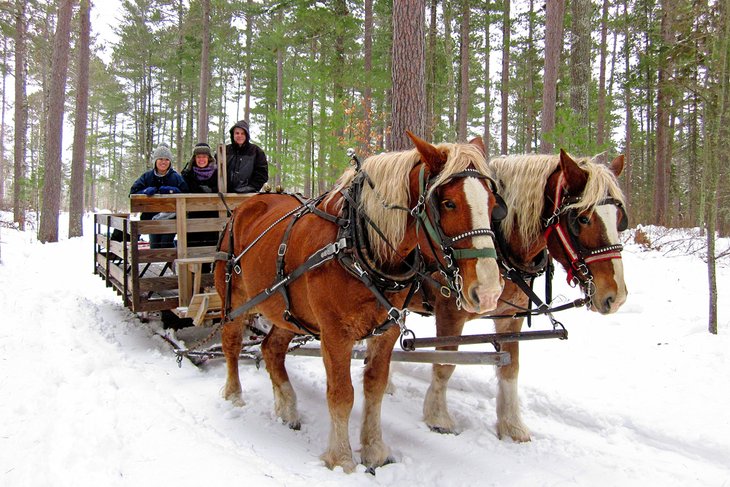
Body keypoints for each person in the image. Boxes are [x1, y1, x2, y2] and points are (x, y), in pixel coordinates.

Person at [130, 143, 189, 248]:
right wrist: (145, 192)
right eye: (160, 159)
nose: (163, 162)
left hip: (171, 217)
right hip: (151, 217)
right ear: (155, 161)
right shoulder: (147, 176)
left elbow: (186, 193)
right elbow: (132, 192)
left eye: (166, 159)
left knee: (165, 245)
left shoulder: (175, 177)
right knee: (155, 247)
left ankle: (174, 259)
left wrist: (173, 191)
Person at [181, 142, 220, 250]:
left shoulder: (217, 173)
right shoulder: (187, 174)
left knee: (211, 247)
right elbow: (184, 190)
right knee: (192, 247)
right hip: (193, 216)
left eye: (204, 156)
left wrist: (212, 190)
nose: (201, 159)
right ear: (194, 158)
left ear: (209, 158)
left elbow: (223, 188)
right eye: (198, 157)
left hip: (212, 215)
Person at [225, 119, 268, 193]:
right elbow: (216, 171)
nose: (239, 136)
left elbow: (262, 174)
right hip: (226, 194)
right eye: (237, 133)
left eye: (242, 133)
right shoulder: (225, 151)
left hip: (248, 195)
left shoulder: (256, 151)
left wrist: (251, 187)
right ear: (233, 134)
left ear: (247, 135)